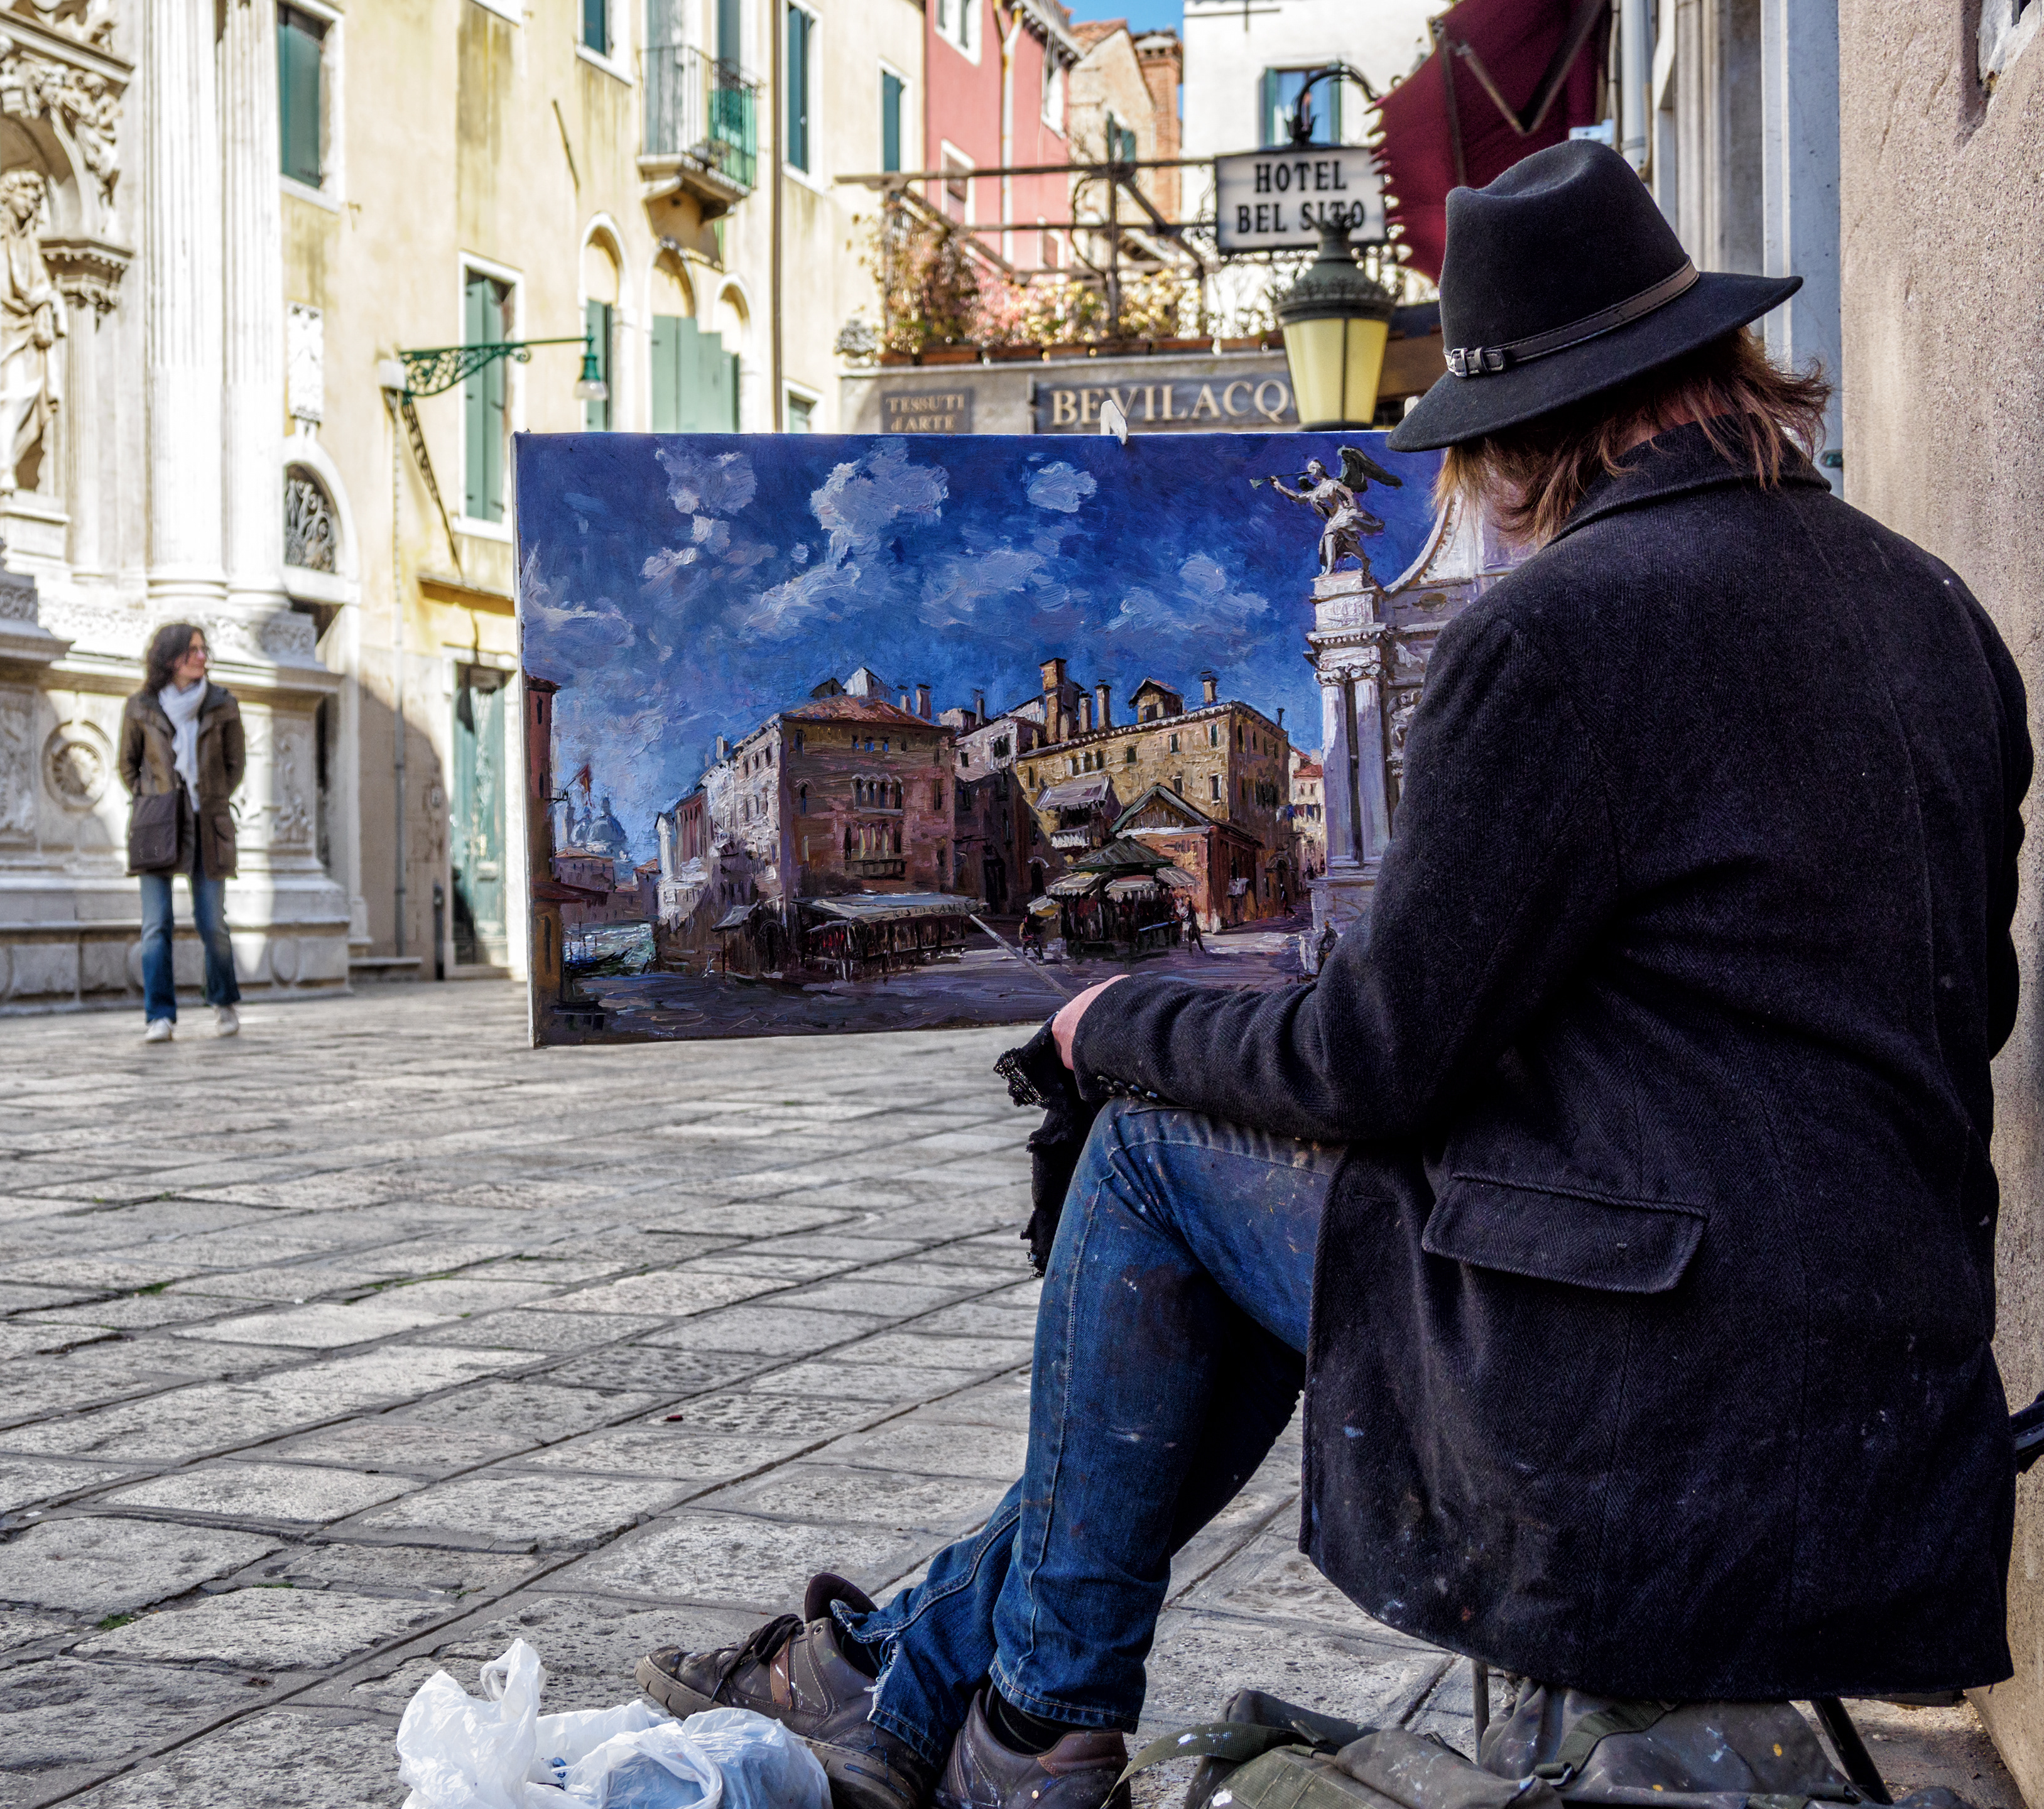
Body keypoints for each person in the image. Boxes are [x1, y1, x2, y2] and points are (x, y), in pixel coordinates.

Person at [638, 141, 2030, 1809]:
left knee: (1152, 1155)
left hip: (1656, 1399)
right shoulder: (1933, 608)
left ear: (1525, 437)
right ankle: (930, 1683)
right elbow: (1928, 1009)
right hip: (1895, 1384)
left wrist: (1116, 1017)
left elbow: (1373, 1059)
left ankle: (1031, 1718)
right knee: (1300, 1235)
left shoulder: (1562, 628)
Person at [119, 623, 246, 1042]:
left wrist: (213, 796)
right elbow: (127, 765)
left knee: (212, 923)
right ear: (171, 657)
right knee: (156, 924)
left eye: (203, 649)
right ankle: (160, 1016)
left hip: (207, 821)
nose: (202, 656)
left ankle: (223, 1002)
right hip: (156, 822)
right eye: (193, 650)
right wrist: (152, 798)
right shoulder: (141, 706)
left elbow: (235, 765)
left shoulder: (222, 704)